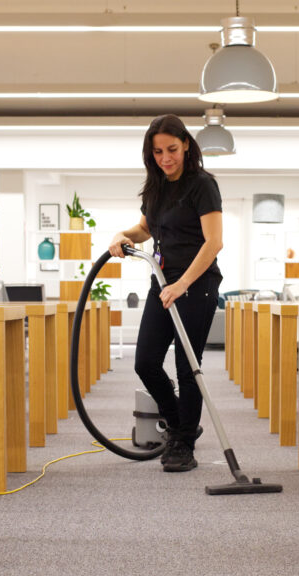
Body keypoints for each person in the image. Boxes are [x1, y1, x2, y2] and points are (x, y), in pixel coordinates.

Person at [109, 114, 223, 473]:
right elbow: (145, 228)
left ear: (186, 145)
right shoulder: (156, 186)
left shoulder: (202, 185)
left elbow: (214, 242)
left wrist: (183, 283)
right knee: (145, 361)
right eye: (157, 152)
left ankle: (184, 444)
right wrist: (121, 235)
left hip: (197, 284)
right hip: (162, 283)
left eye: (172, 149)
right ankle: (181, 423)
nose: (165, 158)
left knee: (187, 366)